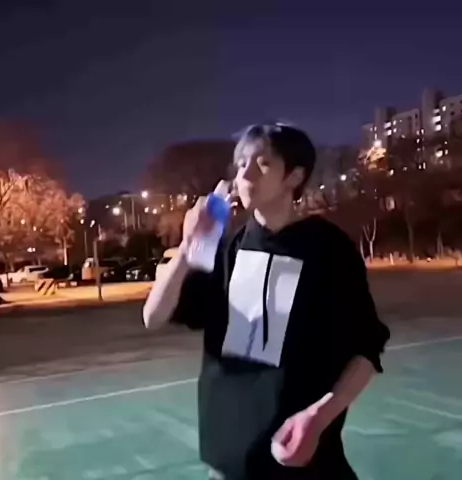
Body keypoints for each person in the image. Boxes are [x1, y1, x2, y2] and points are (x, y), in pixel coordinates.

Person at [143, 122, 390, 479]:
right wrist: (188, 246)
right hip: (229, 464)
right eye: (241, 163)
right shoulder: (226, 248)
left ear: (294, 177)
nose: (245, 174)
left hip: (304, 461)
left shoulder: (328, 249)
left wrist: (319, 415)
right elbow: (153, 316)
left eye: (262, 164)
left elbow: (367, 348)